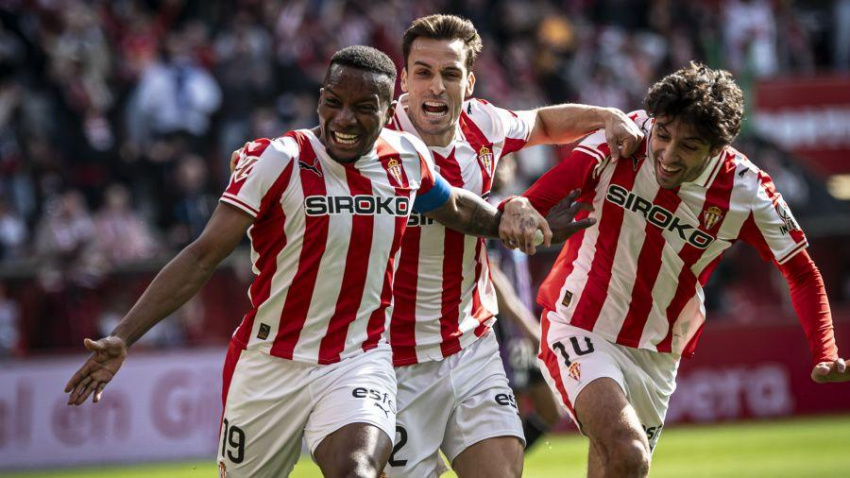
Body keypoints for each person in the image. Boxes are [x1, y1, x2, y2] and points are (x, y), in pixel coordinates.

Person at [64, 45, 552, 478]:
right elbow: (202, 254)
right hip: (270, 362)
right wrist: (124, 336)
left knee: (357, 469)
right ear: (320, 99)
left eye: (364, 107)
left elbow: (457, 208)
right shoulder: (279, 159)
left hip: (358, 360)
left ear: (389, 111)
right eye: (334, 102)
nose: (344, 119)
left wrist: (521, 219)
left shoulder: (405, 157)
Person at [499, 61, 849, 477]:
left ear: (717, 148)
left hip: (657, 353)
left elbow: (802, 272)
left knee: (619, 465)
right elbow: (539, 196)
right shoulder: (623, 138)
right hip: (578, 321)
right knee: (627, 450)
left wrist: (825, 351)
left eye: (689, 146)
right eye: (663, 134)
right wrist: (521, 208)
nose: (667, 154)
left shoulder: (748, 192)